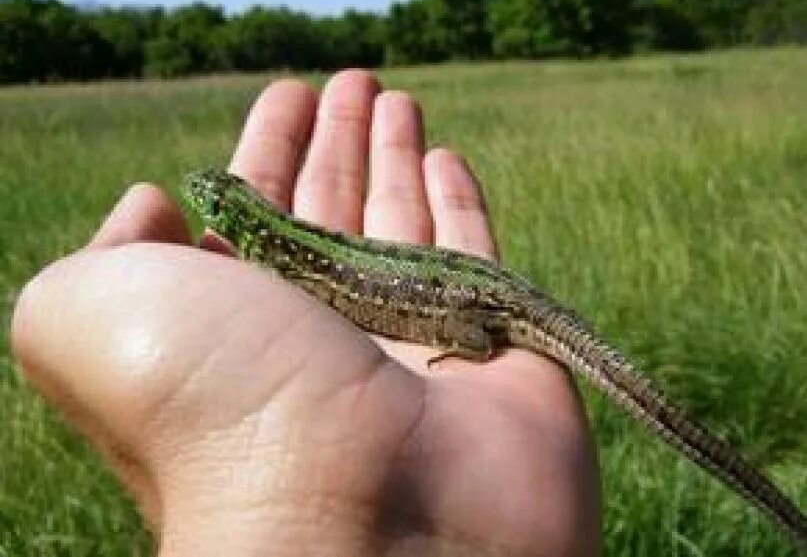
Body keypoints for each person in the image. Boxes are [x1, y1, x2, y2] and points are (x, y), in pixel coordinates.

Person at [11, 69, 601, 556]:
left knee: (471, 329)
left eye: (211, 199)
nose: (197, 197)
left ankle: (479, 345)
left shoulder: (276, 256)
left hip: (484, 306)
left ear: (235, 220)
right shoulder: (278, 251)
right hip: (469, 287)